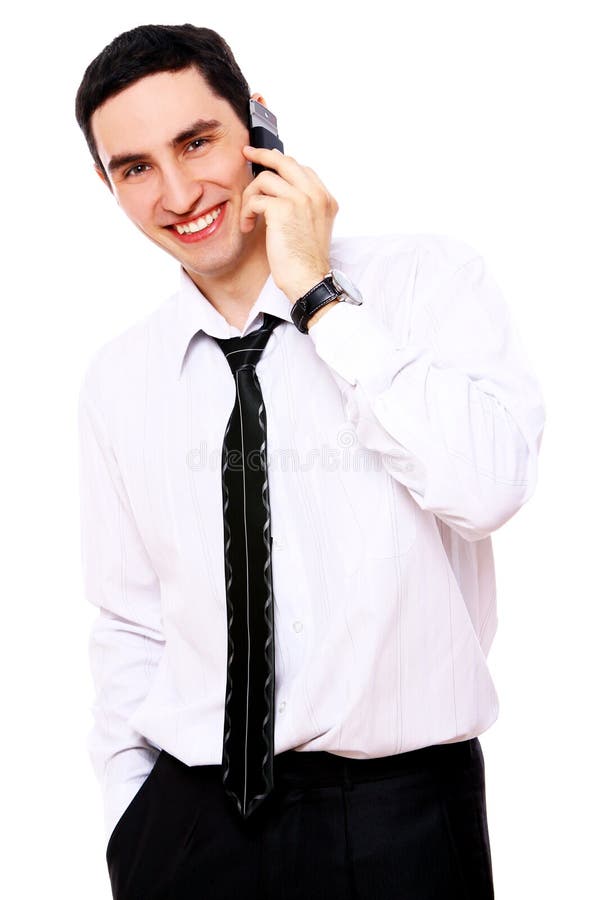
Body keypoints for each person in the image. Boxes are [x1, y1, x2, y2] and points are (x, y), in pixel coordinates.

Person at [75, 22, 545, 900]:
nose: (178, 192)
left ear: (258, 123)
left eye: (196, 141)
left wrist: (319, 297)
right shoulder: (120, 379)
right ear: (108, 185)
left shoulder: (423, 287)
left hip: (401, 818)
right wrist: (129, 822)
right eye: (135, 167)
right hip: (189, 823)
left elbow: (488, 488)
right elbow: (129, 621)